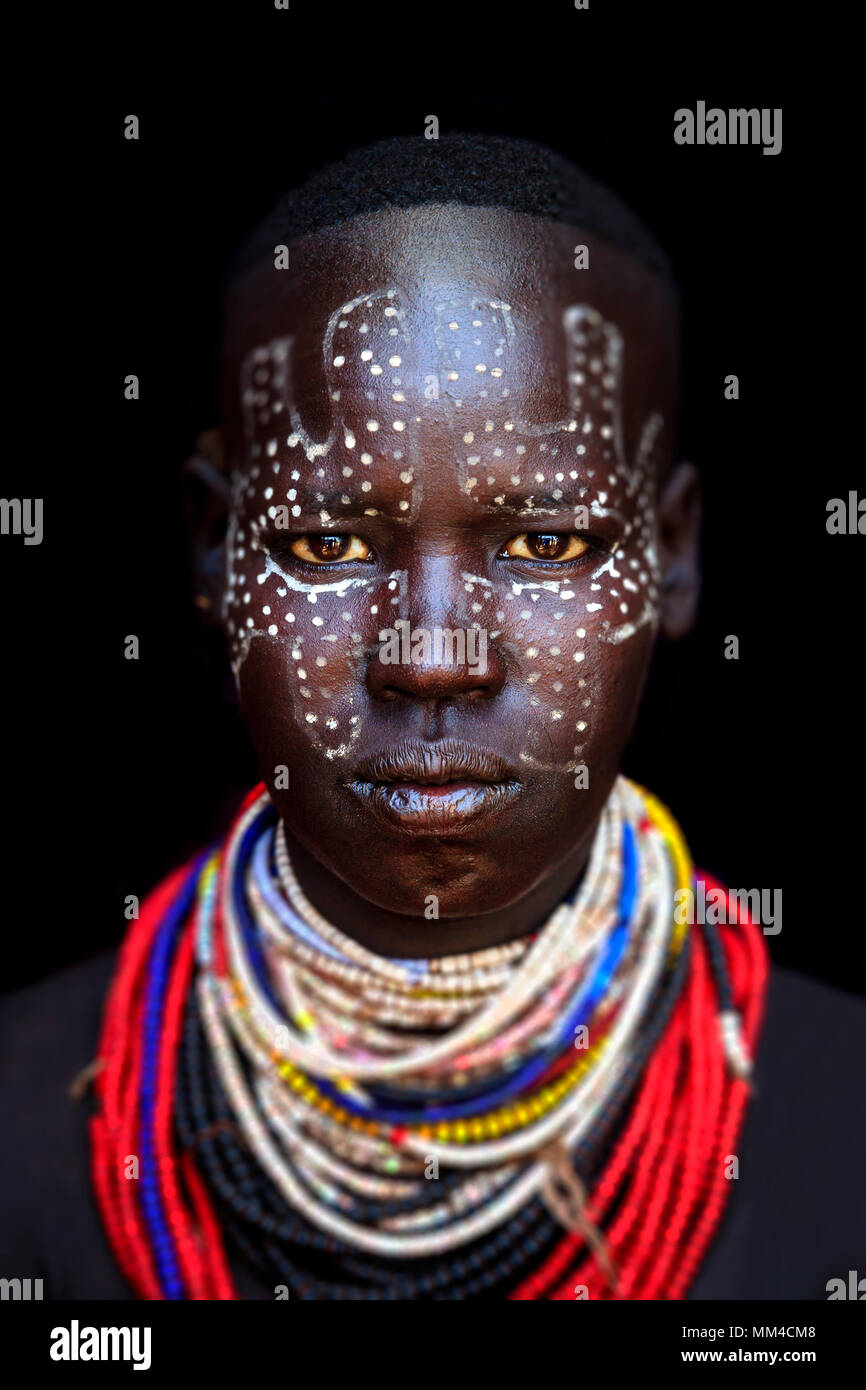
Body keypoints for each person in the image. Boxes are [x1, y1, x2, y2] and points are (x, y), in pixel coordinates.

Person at [2, 134, 863, 1301]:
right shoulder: (27, 1124)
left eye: (547, 543)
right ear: (215, 546)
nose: (431, 657)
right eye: (325, 545)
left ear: (671, 554)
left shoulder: (837, 1131)